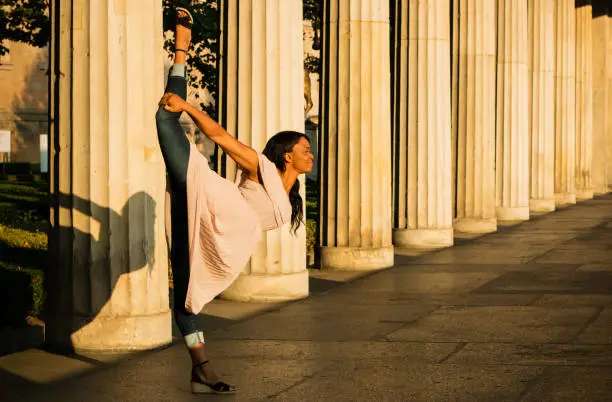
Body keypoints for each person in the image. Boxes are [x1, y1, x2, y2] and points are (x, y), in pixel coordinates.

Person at [155, 5, 314, 395]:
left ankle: (200, 370)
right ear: (287, 154)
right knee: (165, 118)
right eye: (305, 149)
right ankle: (181, 49)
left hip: (224, 240)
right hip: (208, 198)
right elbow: (222, 138)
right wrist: (189, 106)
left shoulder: (291, 194)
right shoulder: (261, 167)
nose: (311, 154)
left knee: (188, 301)